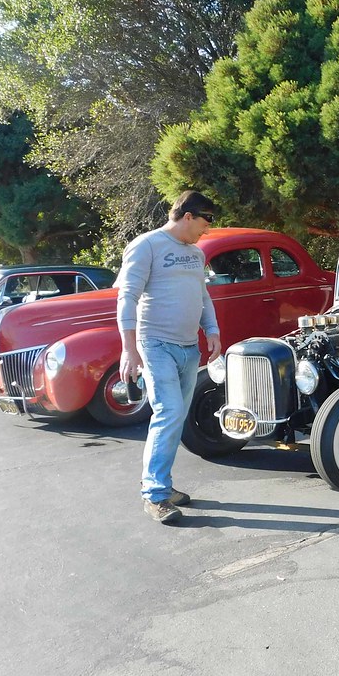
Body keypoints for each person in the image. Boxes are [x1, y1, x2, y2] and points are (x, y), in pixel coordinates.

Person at [116, 191, 222, 524]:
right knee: (169, 411)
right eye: (205, 223)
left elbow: (202, 294)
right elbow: (127, 297)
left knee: (175, 417)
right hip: (155, 344)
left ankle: (163, 483)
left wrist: (213, 331)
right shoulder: (146, 245)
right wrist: (129, 349)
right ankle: (156, 494)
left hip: (189, 347)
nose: (206, 232)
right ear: (188, 216)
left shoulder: (195, 254)